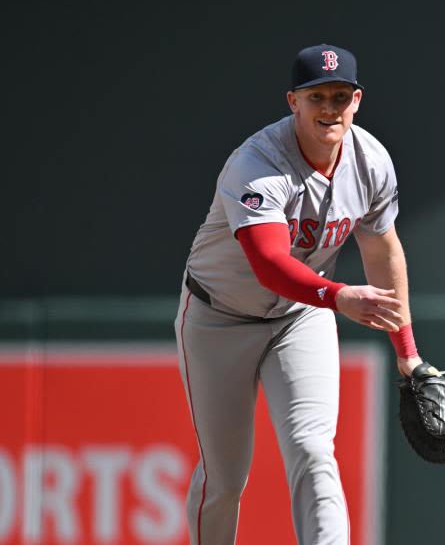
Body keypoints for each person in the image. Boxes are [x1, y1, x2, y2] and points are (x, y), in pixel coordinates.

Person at [174, 44, 431, 545]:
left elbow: (383, 253)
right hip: (217, 317)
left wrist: (409, 354)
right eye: (317, 97)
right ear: (294, 101)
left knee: (315, 451)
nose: (330, 109)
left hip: (300, 315)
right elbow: (269, 264)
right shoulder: (258, 163)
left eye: (340, 96)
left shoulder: (371, 161)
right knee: (225, 479)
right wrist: (339, 296)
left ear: (357, 100)